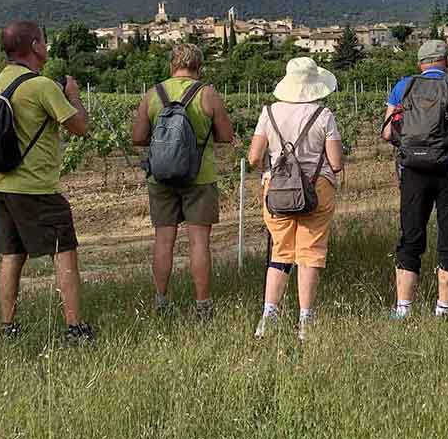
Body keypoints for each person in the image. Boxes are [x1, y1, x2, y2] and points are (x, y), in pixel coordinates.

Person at [0, 21, 93, 344]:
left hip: (0, 185)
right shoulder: (42, 86)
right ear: (35, 46)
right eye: (44, 41)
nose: (46, 46)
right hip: (36, 188)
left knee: (12, 255)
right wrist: (73, 96)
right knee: (64, 251)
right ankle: (74, 329)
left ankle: (8, 328)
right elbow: (79, 126)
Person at [382, 40, 448, 320]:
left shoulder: (403, 87)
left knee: (411, 235)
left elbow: (388, 133)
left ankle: (403, 309)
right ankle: (443, 310)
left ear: (420, 64)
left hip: (414, 170)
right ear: (447, 61)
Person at [132, 43, 233, 320]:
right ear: (199, 67)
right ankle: (202, 306)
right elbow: (226, 136)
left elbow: (138, 138)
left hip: (161, 176)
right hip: (199, 176)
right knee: (199, 242)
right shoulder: (207, 93)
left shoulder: (153, 94)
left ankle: (161, 301)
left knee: (163, 241)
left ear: (171, 65)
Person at [248, 57, 343, 341]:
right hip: (317, 189)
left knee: (280, 251)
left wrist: (270, 171)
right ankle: (305, 321)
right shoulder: (323, 115)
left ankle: (268, 317)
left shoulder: (269, 112)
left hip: (277, 191)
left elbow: (253, 157)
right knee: (310, 252)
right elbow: (336, 162)